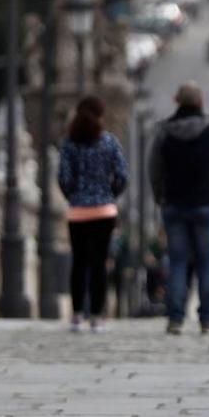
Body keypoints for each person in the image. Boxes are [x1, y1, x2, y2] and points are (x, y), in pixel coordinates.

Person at [148, 81, 209, 335]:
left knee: (178, 262)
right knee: (206, 263)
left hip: (174, 203)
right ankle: (207, 319)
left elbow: (154, 167)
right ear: (200, 102)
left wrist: (159, 195)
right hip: (204, 204)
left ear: (176, 101)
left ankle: (175, 318)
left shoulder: (163, 132)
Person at [57, 96, 128, 334]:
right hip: (104, 210)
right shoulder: (108, 142)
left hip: (78, 210)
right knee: (99, 264)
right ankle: (97, 316)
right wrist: (110, 194)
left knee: (78, 262)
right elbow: (121, 175)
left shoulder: (69, 144)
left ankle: (77, 315)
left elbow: (64, 177)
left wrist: (74, 196)